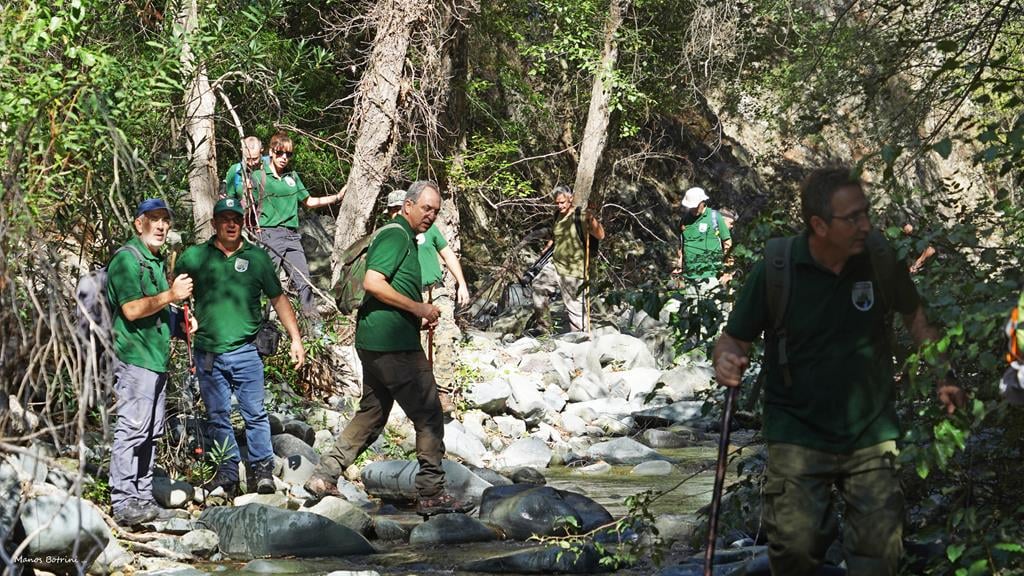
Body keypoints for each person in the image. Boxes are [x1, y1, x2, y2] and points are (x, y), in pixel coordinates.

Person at [712, 167, 966, 575]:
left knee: (880, 552)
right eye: (853, 218)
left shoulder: (881, 260)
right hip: (796, 430)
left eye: (866, 213)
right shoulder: (778, 269)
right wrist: (724, 360)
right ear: (819, 225)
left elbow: (916, 318)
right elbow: (732, 340)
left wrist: (944, 375)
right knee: (796, 548)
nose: (866, 225)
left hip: (870, 431)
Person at [304, 180, 473, 515]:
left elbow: (387, 289)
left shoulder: (404, 237)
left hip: (378, 341)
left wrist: (416, 317)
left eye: (436, 211)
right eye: (426, 208)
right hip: (393, 345)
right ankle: (432, 492)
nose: (430, 215)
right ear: (407, 205)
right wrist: (418, 309)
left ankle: (324, 475)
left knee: (372, 414)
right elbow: (373, 282)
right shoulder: (396, 235)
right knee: (428, 414)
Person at [176, 197, 306, 498]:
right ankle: (227, 473)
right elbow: (175, 292)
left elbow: (278, 299)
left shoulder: (257, 258)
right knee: (218, 415)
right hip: (208, 351)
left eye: (237, 218)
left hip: (247, 351)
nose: (232, 224)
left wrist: (296, 339)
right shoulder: (194, 257)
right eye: (225, 219)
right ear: (215, 224)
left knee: (255, 414)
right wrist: (184, 315)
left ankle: (262, 471)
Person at [106, 198, 194, 527]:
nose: (161, 226)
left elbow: (155, 310)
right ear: (138, 224)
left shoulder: (154, 261)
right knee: (131, 431)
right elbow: (131, 310)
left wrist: (182, 325)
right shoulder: (127, 261)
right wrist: (172, 295)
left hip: (155, 361)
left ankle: (142, 497)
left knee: (151, 433)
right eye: (153, 219)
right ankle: (123, 501)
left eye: (165, 220)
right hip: (133, 359)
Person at [247, 131, 344, 319]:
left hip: (292, 236)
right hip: (269, 234)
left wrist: (337, 197)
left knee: (304, 281)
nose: (284, 158)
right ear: (271, 152)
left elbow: (309, 202)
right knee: (265, 283)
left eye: (288, 154)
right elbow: (243, 201)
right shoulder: (258, 176)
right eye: (280, 152)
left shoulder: (292, 177)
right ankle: (259, 326)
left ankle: (315, 330)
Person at [530, 185, 605, 333]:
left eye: (563, 202)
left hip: (573, 270)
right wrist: (547, 247)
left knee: (575, 307)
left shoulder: (581, 216)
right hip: (555, 264)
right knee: (538, 287)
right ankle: (544, 328)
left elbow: (601, 235)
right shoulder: (557, 215)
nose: (560, 205)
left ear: (570, 199)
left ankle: (581, 338)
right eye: (557, 202)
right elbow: (557, 235)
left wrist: (592, 220)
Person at [672, 186, 732, 286]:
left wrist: (724, 268)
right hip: (689, 276)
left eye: (696, 206)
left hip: (711, 275)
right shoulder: (684, 221)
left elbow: (727, 243)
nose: (693, 209)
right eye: (691, 207)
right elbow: (682, 246)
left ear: (703, 202)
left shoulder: (715, 217)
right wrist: (679, 265)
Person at [222, 135, 265, 200]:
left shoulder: (269, 168)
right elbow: (230, 201)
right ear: (242, 151)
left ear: (261, 151)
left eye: (255, 159)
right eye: (247, 159)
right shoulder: (235, 170)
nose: (251, 163)